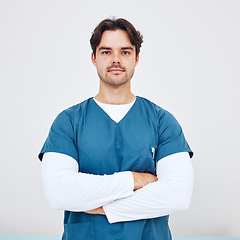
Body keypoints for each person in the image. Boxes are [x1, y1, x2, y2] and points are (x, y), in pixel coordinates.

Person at [39, 17, 194, 240]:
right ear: (93, 58)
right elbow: (58, 193)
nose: (116, 59)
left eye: (125, 52)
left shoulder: (162, 121)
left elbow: (178, 195)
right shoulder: (68, 122)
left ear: (136, 58)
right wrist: (134, 179)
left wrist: (104, 208)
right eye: (106, 52)